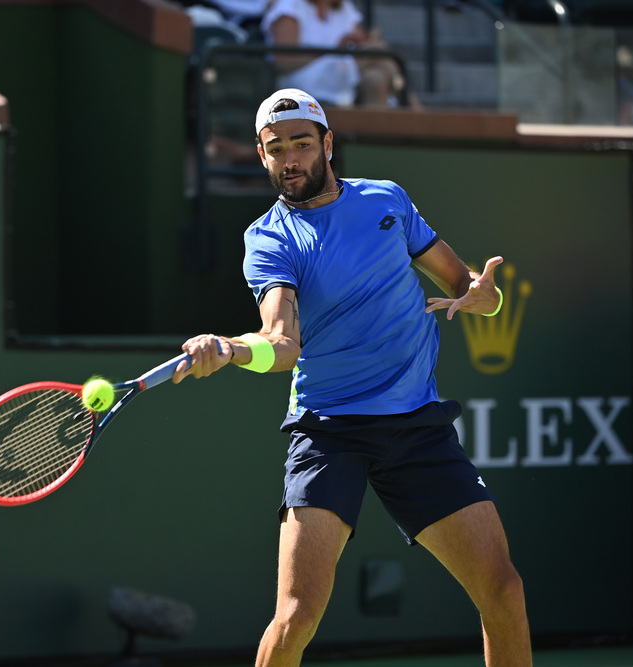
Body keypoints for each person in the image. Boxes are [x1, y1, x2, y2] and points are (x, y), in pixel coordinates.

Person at [172, 88, 532, 666]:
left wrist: (483, 298)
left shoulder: (387, 200)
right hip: (330, 432)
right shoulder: (268, 238)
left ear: (327, 145)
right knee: (296, 615)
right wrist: (232, 348)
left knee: (503, 590)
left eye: (301, 144)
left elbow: (463, 285)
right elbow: (281, 343)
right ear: (262, 157)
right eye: (275, 149)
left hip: (417, 426)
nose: (290, 159)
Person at [261, 0, 411, 108]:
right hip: (303, 77)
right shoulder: (289, 5)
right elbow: (282, 61)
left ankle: (375, 141)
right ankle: (412, 104)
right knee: (377, 53)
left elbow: (361, 42)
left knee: (376, 78)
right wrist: (333, 51)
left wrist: (354, 43)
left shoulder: (344, 7)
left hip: (344, 71)